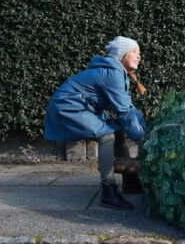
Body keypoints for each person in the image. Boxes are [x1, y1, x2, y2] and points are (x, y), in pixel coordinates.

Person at [44, 36, 148, 210]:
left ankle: (130, 177)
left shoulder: (118, 72)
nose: (139, 56)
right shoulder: (112, 73)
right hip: (68, 107)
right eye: (135, 52)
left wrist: (144, 128)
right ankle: (108, 190)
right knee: (106, 134)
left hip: (80, 107)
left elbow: (129, 108)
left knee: (118, 127)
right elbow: (124, 111)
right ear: (122, 54)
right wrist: (144, 139)